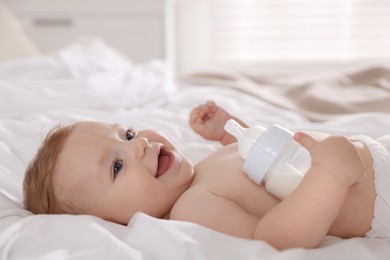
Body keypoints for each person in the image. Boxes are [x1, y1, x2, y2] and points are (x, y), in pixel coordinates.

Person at [23, 101, 390, 250]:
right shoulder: (193, 210)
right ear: (111, 220)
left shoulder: (198, 172)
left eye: (128, 134)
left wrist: (228, 132)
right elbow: (275, 237)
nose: (138, 146)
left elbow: (261, 160)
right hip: (378, 195)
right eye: (116, 167)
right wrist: (330, 174)